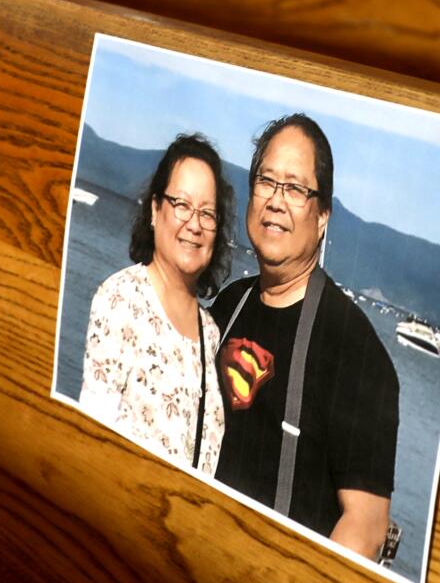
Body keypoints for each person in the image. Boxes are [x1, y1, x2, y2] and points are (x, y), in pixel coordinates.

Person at [211, 114, 399, 560]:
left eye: (295, 189)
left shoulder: (357, 354)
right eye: (266, 182)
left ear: (322, 216)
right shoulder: (228, 304)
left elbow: (366, 528)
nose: (276, 201)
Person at [79, 133, 235, 475]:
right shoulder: (121, 299)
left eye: (207, 214)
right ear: (154, 210)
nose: (194, 224)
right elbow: (89, 441)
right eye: (181, 205)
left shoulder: (212, 334)